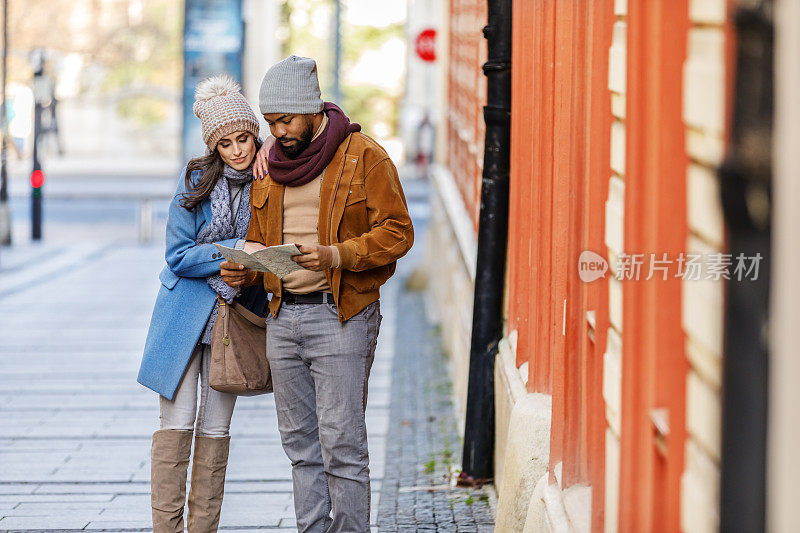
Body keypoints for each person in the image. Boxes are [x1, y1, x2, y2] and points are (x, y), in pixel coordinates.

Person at [220, 55, 414, 532]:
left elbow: (398, 233)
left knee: (342, 445)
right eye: (270, 123)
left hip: (341, 317)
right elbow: (263, 236)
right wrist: (248, 269)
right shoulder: (270, 165)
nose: (277, 131)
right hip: (282, 319)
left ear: (310, 110)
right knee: (300, 447)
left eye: (285, 120)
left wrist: (336, 256)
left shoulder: (364, 155)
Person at [137, 75, 269, 532]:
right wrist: (235, 247)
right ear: (214, 146)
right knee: (177, 423)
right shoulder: (196, 178)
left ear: (256, 135)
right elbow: (177, 255)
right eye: (226, 142)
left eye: (244, 138)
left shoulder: (266, 179)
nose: (237, 150)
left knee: (216, 431)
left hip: (235, 321)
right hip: (182, 317)